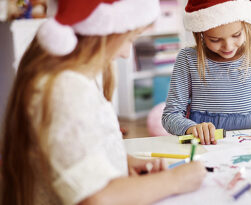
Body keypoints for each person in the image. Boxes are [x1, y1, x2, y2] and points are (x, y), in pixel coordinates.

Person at [0, 0, 206, 205]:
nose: (126, 54)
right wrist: (174, 181)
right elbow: (96, 198)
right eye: (129, 39)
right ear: (101, 32)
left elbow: (73, 158)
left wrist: (123, 164)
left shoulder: (69, 80)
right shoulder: (66, 90)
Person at [162, 0, 251, 145]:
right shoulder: (187, 59)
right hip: (209, 147)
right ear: (200, 33)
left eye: (236, 35)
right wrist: (191, 129)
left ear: (246, 26)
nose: (228, 46)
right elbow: (170, 116)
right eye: (215, 39)